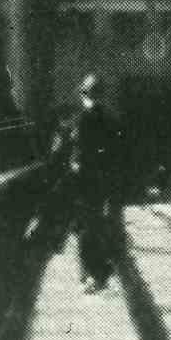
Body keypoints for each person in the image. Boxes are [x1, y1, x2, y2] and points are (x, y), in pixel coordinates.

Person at [63, 74, 125, 292]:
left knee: (86, 229)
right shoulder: (106, 120)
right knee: (94, 228)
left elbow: (75, 154)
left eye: (91, 94)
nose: (91, 98)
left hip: (87, 183)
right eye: (92, 94)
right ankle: (96, 273)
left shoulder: (80, 121)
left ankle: (92, 274)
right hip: (96, 182)